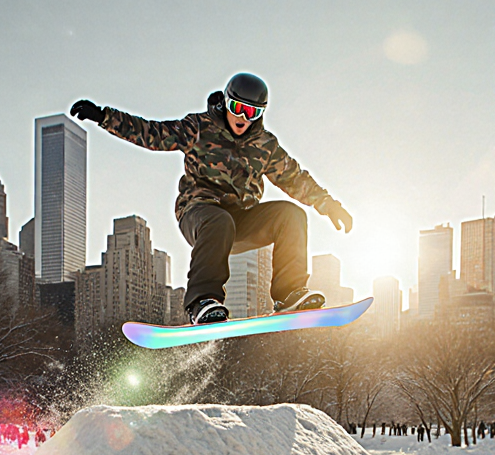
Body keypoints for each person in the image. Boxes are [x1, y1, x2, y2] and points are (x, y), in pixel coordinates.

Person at [70, 72, 354, 325]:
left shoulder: (265, 145)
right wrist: (104, 117)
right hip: (199, 213)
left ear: (261, 114)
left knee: (291, 215)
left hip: (241, 220)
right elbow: (152, 133)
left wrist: (329, 205)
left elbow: (295, 178)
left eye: (251, 113)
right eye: (237, 108)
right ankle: (202, 301)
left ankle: (289, 293)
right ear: (226, 103)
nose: (242, 118)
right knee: (219, 220)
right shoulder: (198, 127)